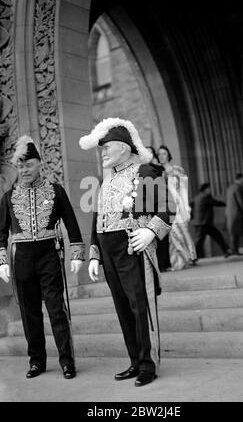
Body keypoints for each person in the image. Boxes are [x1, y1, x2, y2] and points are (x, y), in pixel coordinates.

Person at [79, 118, 174, 387]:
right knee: (123, 307)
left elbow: (166, 206)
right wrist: (95, 253)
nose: (103, 152)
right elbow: (97, 218)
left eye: (106, 147)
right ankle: (135, 360)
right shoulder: (105, 180)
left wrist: (152, 232)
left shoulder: (144, 171)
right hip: (109, 250)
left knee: (139, 306)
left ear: (122, 147)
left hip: (132, 245)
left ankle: (148, 363)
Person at [0, 135, 85, 379]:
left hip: (49, 254)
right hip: (21, 258)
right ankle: (37, 361)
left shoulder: (56, 191)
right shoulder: (8, 197)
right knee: (29, 312)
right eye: (20, 165)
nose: (24, 170)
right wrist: (2, 262)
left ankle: (67, 361)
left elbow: (71, 224)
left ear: (39, 164)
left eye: (28, 164)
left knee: (56, 309)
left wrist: (77, 253)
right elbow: (0, 234)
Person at [157, 145, 197, 270]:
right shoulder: (159, 173)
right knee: (173, 234)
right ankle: (178, 262)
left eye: (163, 153)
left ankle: (189, 257)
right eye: (159, 154)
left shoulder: (178, 170)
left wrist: (187, 207)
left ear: (169, 154)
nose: (161, 156)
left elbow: (184, 190)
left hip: (180, 206)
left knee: (183, 231)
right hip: (167, 207)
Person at [191, 182, 231, 259]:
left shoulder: (196, 198)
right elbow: (216, 203)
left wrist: (192, 218)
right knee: (199, 242)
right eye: (208, 189)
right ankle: (192, 258)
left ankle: (226, 251)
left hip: (203, 224)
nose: (210, 190)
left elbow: (189, 207)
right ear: (205, 190)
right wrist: (227, 204)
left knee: (217, 236)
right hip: (203, 224)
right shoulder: (206, 198)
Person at [225, 173, 243, 256]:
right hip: (237, 213)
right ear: (240, 178)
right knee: (236, 231)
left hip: (230, 213)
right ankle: (235, 250)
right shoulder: (238, 188)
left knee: (234, 232)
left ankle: (235, 249)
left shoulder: (230, 188)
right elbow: (241, 201)